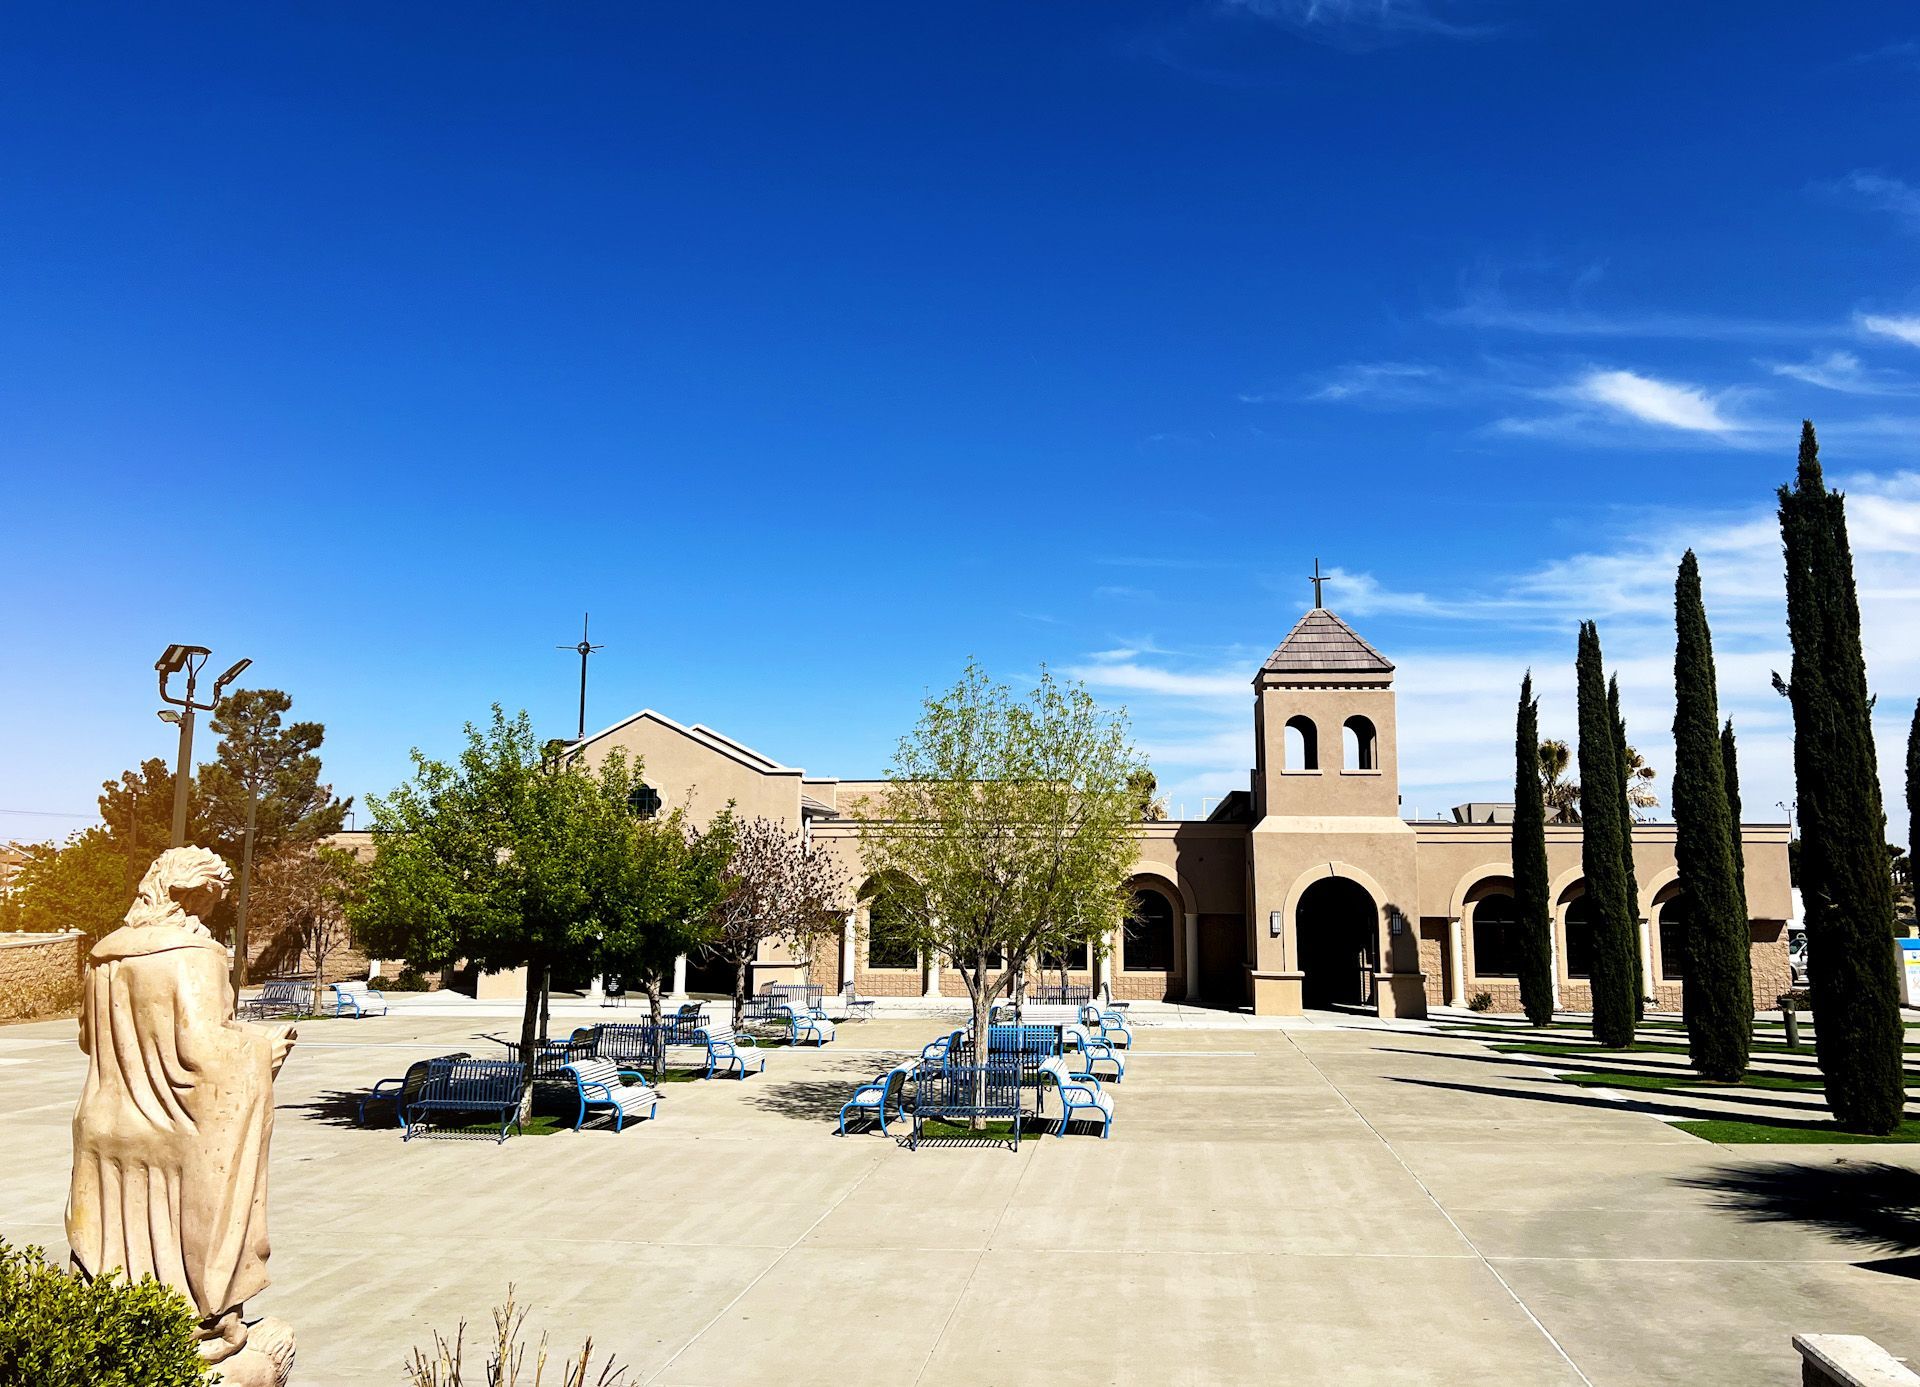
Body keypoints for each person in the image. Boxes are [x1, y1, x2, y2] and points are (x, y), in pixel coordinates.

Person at [67, 845, 297, 1383]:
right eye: (210, 903)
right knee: (185, 1255)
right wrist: (265, 1050)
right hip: (174, 1133)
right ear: (192, 895)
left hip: (103, 1125)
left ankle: (118, 1336)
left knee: (116, 1253)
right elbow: (202, 1050)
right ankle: (202, 1331)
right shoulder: (195, 954)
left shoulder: (105, 957)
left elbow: (87, 1039)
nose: (209, 916)